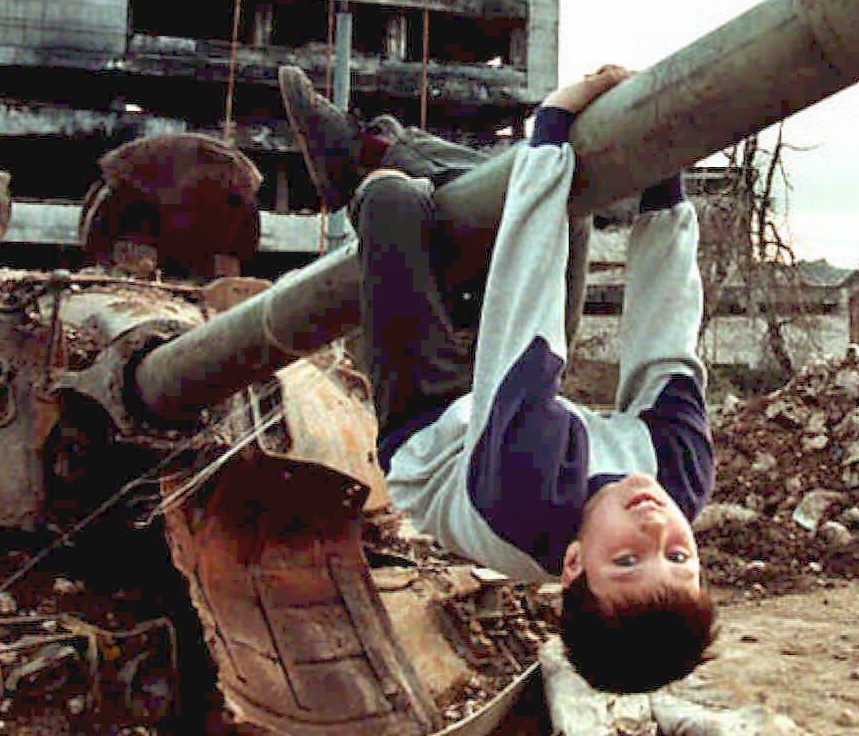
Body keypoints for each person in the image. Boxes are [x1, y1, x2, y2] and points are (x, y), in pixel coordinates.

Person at [278, 62, 717, 693]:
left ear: (572, 565)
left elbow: (523, 326)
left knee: (395, 204)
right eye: (679, 557)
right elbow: (666, 339)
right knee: (570, 205)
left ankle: (365, 170)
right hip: (523, 405)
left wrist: (554, 121)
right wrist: (663, 186)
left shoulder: (526, 489)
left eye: (627, 560)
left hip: (433, 430)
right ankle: (379, 148)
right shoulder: (679, 476)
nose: (656, 529)